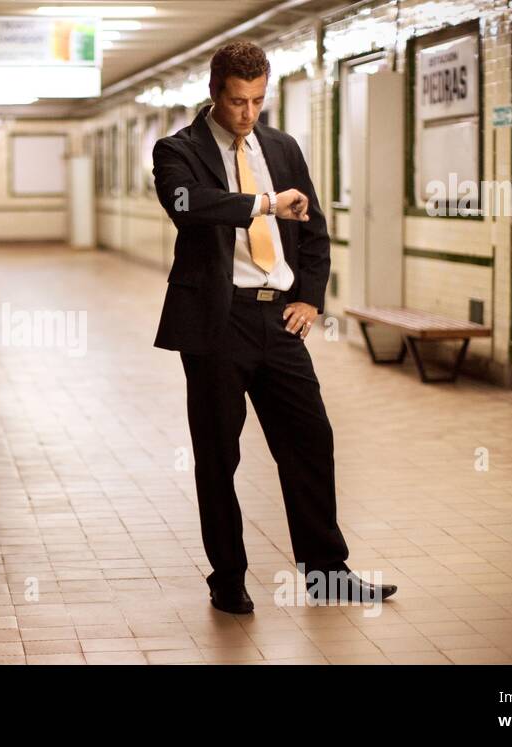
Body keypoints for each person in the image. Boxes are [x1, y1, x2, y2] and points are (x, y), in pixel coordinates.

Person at [151, 40, 396, 614]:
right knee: (219, 455)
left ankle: (327, 573)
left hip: (279, 319)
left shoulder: (281, 147)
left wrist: (311, 299)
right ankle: (228, 578)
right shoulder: (177, 150)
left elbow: (313, 232)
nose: (248, 114)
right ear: (215, 94)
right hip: (218, 321)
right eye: (238, 102)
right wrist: (262, 204)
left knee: (311, 442)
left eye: (258, 101)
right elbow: (189, 205)